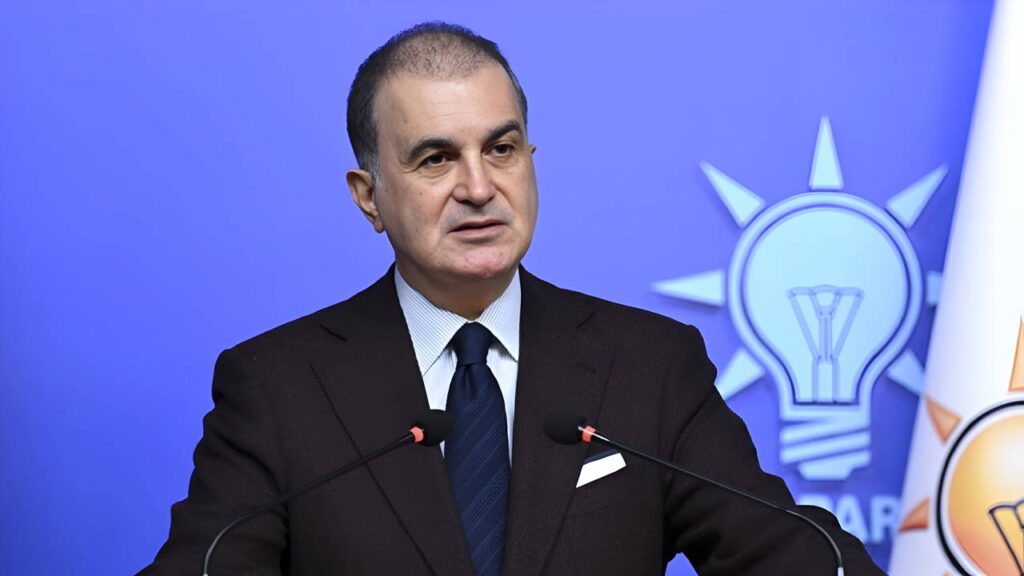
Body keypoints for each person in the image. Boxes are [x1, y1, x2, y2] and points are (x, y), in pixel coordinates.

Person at [139, 22, 886, 576]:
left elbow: (789, 554)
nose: (478, 187)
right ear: (369, 196)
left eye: (500, 149)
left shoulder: (649, 364)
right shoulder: (278, 386)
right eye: (436, 158)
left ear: (530, 160)